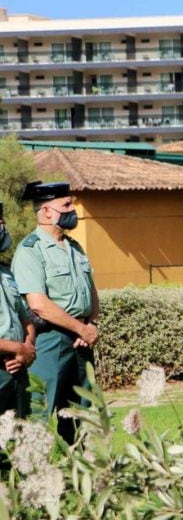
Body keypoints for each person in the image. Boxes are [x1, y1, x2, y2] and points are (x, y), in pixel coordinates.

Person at [13, 181, 99, 443]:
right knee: (41, 412)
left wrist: (91, 324)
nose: (73, 209)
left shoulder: (75, 247)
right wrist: (80, 328)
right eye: (66, 205)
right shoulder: (30, 250)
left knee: (80, 414)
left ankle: (79, 474)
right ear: (47, 211)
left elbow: (90, 291)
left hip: (81, 340)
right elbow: (38, 303)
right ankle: (34, 476)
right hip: (50, 340)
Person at [0, 202, 35, 417]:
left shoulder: (6, 272)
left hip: (16, 369)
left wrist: (27, 349)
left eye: (2, 221)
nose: (2, 226)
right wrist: (18, 348)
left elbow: (26, 318)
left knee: (19, 441)